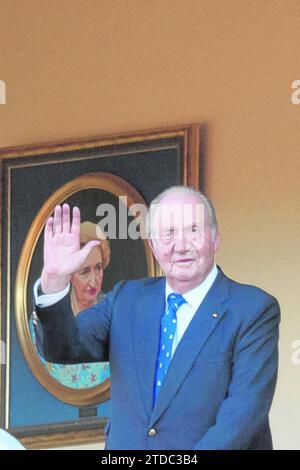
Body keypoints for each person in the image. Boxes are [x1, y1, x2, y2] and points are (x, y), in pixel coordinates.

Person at [33, 186, 280, 450]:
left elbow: (241, 419)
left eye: (193, 230)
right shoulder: (126, 300)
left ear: (216, 237)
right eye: (169, 233)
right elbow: (63, 349)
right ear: (153, 245)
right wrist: (55, 282)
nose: (181, 245)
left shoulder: (252, 310)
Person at [31, 222, 110, 388]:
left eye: (98, 268)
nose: (94, 281)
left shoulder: (114, 312)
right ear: (70, 275)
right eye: (84, 272)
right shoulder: (47, 318)